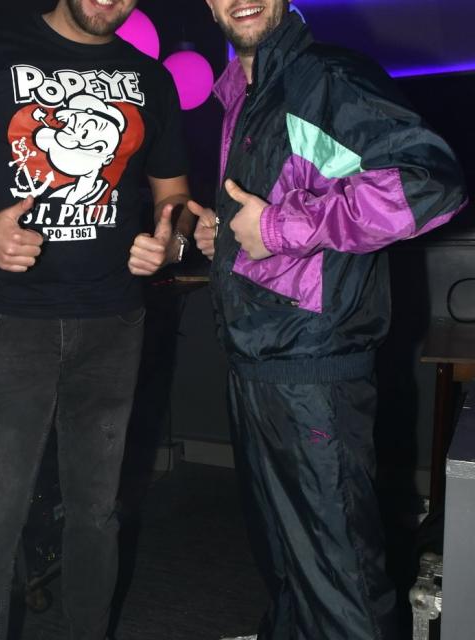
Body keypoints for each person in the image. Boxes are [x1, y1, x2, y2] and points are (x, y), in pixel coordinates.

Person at [0, 1, 192, 639]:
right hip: (11, 322)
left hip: (113, 322)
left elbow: (173, 196)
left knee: (96, 513)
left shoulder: (152, 79)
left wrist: (170, 242)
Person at [188, 1, 468, 639]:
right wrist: (228, 238)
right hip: (257, 362)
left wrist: (277, 228)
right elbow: (276, 207)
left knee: (340, 588)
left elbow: (431, 184)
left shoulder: (323, 77)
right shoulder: (242, 92)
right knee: (289, 570)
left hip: (313, 369)